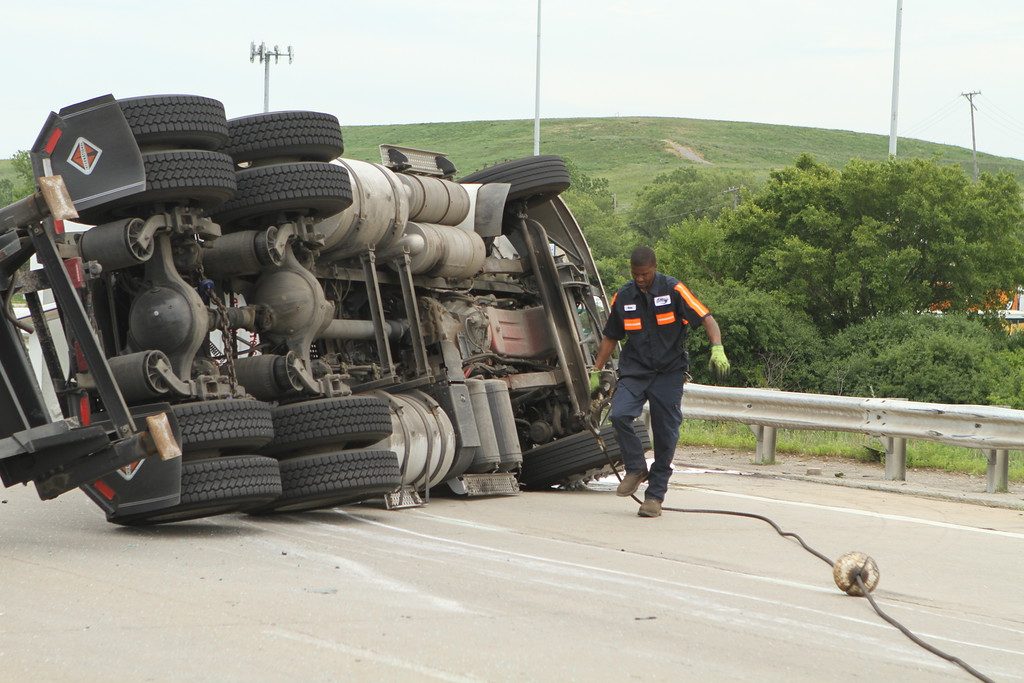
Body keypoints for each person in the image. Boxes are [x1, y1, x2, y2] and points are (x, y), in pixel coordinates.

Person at [591, 246, 729, 518]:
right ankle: (636, 468)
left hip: (669, 373)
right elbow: (610, 336)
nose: (640, 279)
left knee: (666, 435)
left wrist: (718, 347)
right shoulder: (623, 296)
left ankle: (654, 496)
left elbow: (706, 318)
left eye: (644, 274)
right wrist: (595, 372)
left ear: (654, 267)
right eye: (635, 274)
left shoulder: (674, 290)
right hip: (635, 370)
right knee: (619, 415)